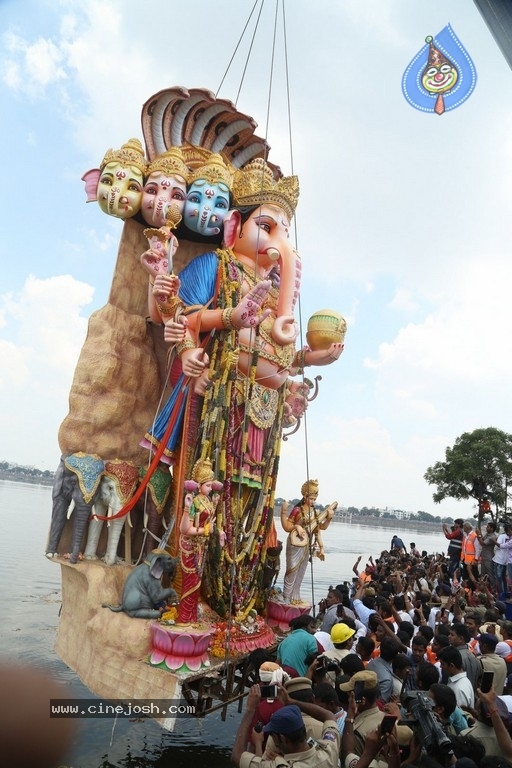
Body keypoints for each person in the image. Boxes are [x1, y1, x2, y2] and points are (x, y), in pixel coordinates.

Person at [143, 158, 343, 616]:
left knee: (251, 498)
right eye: (267, 226)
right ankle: (194, 589)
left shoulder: (275, 291)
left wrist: (313, 358)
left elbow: (280, 351)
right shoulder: (214, 265)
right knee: (207, 492)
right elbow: (181, 316)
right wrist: (228, 320)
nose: (278, 243)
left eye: (285, 233)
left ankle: (239, 590)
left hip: (264, 412)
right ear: (236, 224)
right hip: (219, 399)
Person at [231, 683, 340, 768]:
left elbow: (237, 755)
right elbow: (329, 716)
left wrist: (250, 710)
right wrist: (291, 702)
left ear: (283, 739)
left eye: (274, 738)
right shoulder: (329, 753)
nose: (276, 743)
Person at [176, 458, 223, 624]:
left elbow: (208, 521)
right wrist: (187, 508)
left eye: (211, 486)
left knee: (197, 583)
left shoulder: (208, 500)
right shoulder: (195, 501)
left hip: (201, 547)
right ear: (199, 485)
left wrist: (215, 505)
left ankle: (192, 618)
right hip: (190, 546)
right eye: (208, 485)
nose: (210, 489)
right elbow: (185, 530)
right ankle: (184, 619)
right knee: (190, 583)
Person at [281, 480, 337, 603]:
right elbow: (287, 527)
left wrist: (329, 519)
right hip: (295, 544)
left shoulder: (316, 513)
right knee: (292, 569)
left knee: (301, 570)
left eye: (314, 499)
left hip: (306, 545)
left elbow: (319, 530)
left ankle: (295, 595)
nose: (312, 501)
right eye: (310, 498)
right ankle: (286, 596)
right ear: (305, 496)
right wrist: (286, 515)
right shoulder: (297, 510)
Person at [476, 522, 498, 590]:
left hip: (489, 558)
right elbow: (482, 539)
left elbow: (482, 543)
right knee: (482, 574)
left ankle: (493, 590)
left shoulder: (493, 536)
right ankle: (483, 589)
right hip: (484, 557)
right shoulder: (487, 534)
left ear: (492, 528)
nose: (486, 528)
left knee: (490, 575)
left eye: (488, 527)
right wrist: (479, 534)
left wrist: (478, 535)